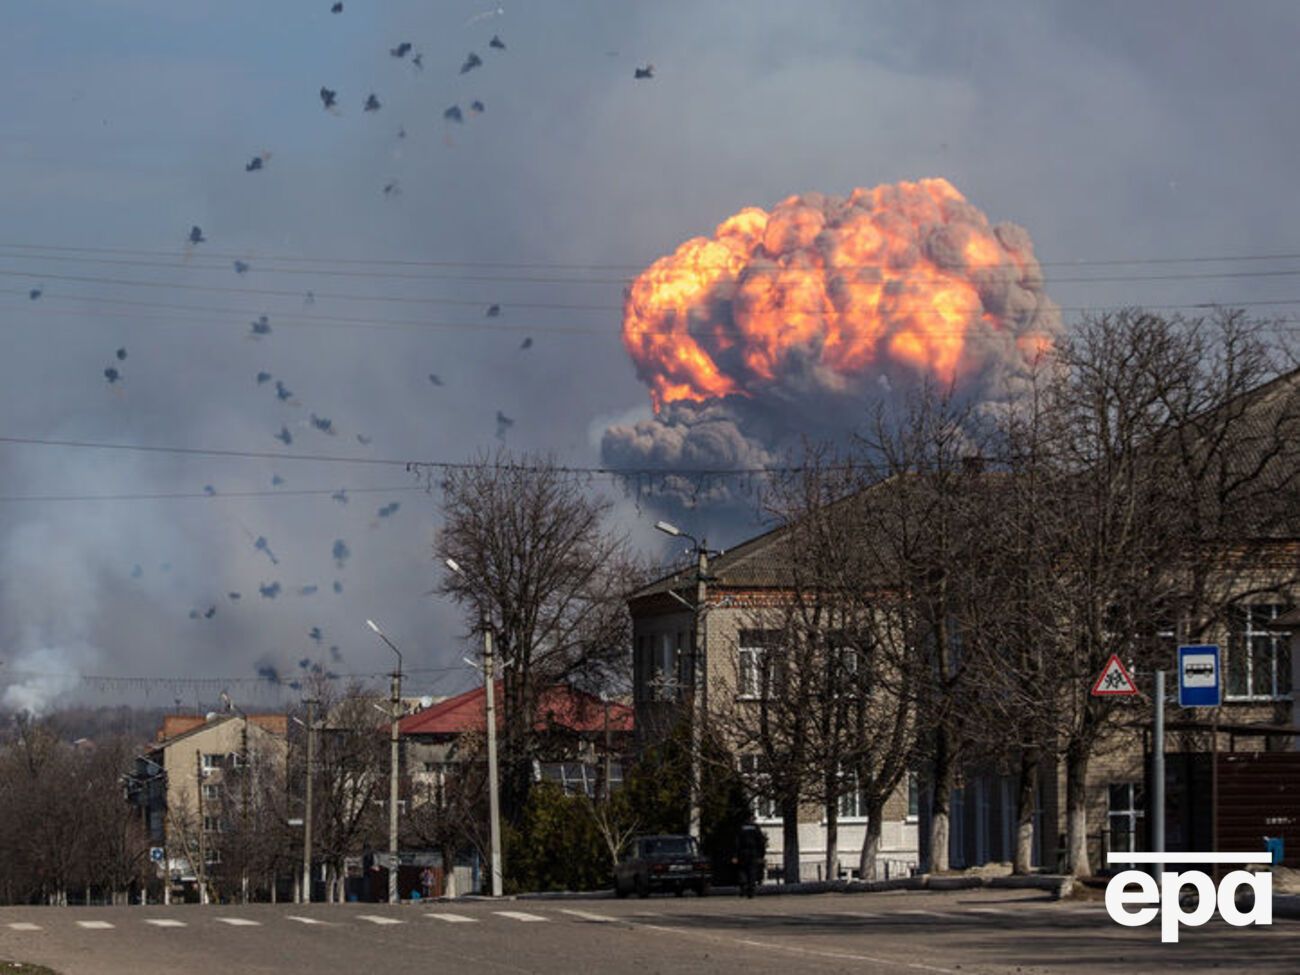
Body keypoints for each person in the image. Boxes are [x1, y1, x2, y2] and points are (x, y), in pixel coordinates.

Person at [736, 823, 767, 898]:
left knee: (742, 870)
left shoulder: (741, 827)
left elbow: (737, 842)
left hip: (742, 853)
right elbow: (761, 842)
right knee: (752, 872)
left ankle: (743, 887)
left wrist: (735, 855)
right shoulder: (755, 827)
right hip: (753, 853)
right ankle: (751, 891)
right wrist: (761, 855)